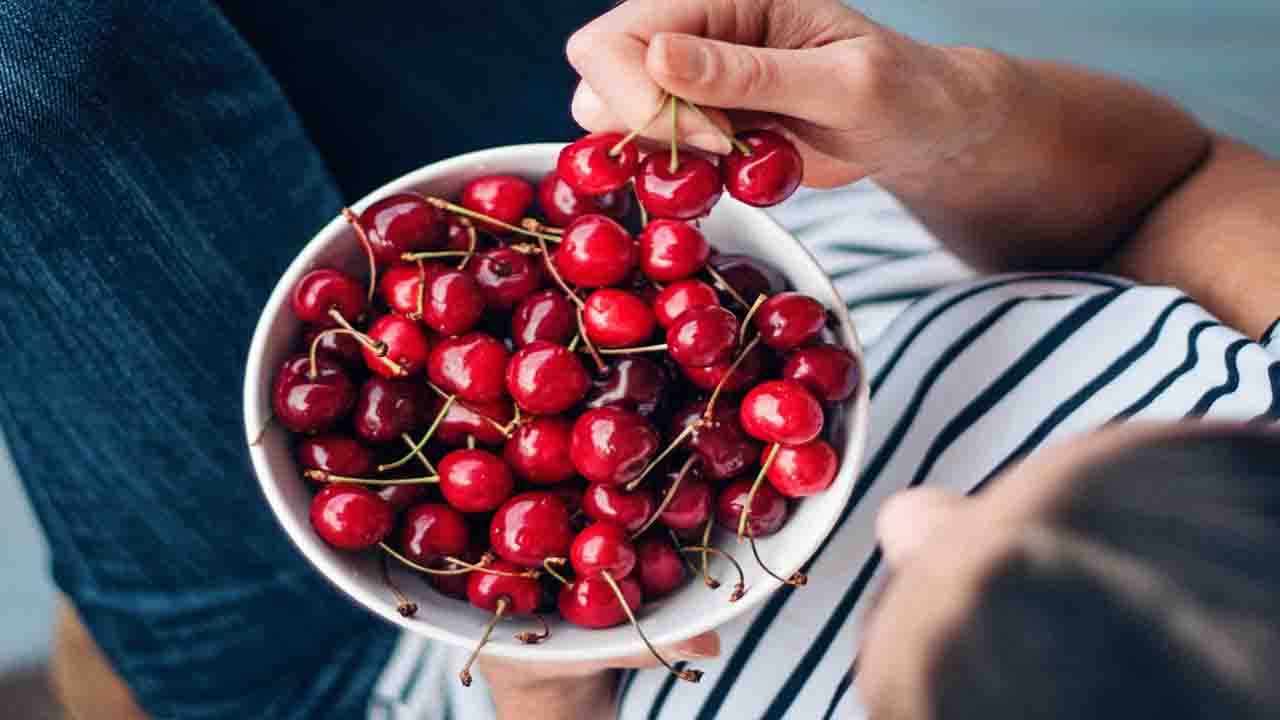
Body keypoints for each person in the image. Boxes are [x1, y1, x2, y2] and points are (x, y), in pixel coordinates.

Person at [2, 2, 1276, 720]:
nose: (910, 512)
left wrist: (538, 688)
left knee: (45, 57)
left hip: (367, 655)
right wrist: (951, 116)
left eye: (907, 609)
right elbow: (1172, 191)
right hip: (657, 226)